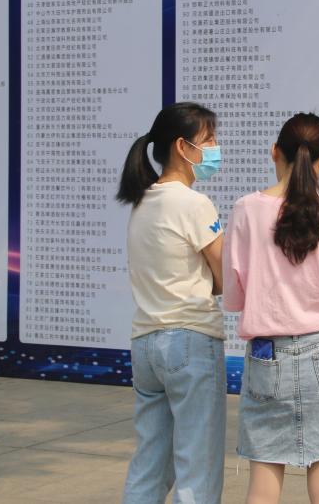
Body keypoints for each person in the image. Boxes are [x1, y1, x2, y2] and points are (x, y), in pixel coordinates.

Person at [223, 113, 319, 504]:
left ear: (275, 152)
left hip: (266, 355)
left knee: (262, 487)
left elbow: (234, 297)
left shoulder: (245, 210)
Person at [117, 102, 226, 504]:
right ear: (183, 146)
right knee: (198, 465)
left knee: (150, 462)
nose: (214, 148)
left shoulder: (142, 202)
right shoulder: (194, 204)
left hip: (146, 342)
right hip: (190, 340)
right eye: (208, 140)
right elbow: (226, 276)